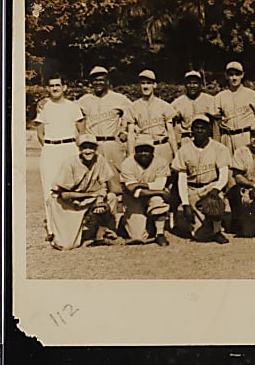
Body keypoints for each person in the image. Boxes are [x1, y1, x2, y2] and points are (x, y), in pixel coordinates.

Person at [33, 74, 84, 239]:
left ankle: (72, 227)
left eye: (57, 85)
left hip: (69, 148)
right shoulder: (43, 107)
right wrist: (51, 146)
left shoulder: (73, 107)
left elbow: (81, 131)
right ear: (48, 88)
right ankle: (52, 229)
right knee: (49, 188)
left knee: (72, 187)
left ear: (64, 87)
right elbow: (40, 134)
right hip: (50, 149)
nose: (55, 88)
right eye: (51, 85)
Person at [46, 134, 118, 250]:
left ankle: (103, 232)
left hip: (88, 199)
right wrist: (92, 195)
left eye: (91, 147)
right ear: (79, 149)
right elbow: (64, 195)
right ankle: (64, 234)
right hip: (66, 204)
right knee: (67, 245)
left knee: (111, 197)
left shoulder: (100, 160)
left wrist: (99, 198)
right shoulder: (70, 163)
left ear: (96, 148)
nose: (88, 151)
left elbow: (104, 184)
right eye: (84, 148)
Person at [171, 114, 232, 243]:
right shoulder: (184, 150)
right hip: (192, 189)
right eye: (196, 127)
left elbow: (224, 175)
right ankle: (203, 224)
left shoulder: (219, 148)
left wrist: (216, 190)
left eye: (203, 128)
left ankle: (217, 230)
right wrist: (185, 204)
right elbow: (182, 179)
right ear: (191, 130)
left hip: (210, 186)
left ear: (209, 130)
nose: (199, 130)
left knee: (216, 201)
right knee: (199, 235)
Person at [77, 65, 134, 195]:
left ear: (107, 81)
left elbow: (133, 112)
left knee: (116, 181)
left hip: (112, 143)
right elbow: (71, 113)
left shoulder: (119, 99)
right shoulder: (84, 100)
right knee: (94, 180)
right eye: (95, 80)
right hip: (93, 145)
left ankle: (118, 205)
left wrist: (124, 129)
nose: (98, 83)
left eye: (101, 80)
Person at [119, 134, 172, 246]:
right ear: (135, 151)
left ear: (152, 151)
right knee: (138, 237)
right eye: (140, 150)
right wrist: (160, 191)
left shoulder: (161, 161)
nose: (143, 153)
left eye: (147, 150)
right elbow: (134, 191)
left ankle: (160, 233)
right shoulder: (127, 164)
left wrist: (140, 185)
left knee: (157, 199)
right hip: (133, 199)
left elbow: (160, 185)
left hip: (152, 196)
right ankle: (124, 221)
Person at [214, 61, 255, 153]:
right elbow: (216, 124)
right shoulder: (219, 97)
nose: (234, 78)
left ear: (242, 75)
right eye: (231, 75)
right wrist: (216, 143)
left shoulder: (253, 95)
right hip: (227, 138)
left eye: (237, 74)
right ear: (226, 76)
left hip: (246, 136)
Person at [128, 69, 178, 166]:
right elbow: (131, 135)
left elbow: (171, 133)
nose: (145, 86)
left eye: (149, 83)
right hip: (144, 150)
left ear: (154, 85)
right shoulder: (133, 107)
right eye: (143, 83)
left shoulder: (165, 106)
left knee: (165, 174)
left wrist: (176, 155)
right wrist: (130, 156)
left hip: (162, 147)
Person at [171, 70, 215, 144]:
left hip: (205, 139)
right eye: (189, 83)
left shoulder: (210, 100)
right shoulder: (178, 102)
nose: (192, 86)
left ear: (200, 84)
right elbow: (171, 123)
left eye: (195, 83)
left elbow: (215, 124)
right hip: (187, 138)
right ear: (185, 85)